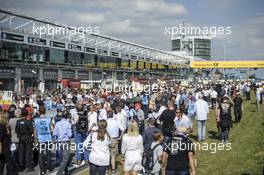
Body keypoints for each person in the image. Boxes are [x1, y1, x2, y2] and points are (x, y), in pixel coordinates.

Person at [34, 106, 53, 175]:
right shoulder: (48, 119)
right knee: (48, 154)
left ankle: (42, 170)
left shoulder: (36, 120)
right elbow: (51, 130)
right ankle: (48, 167)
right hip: (48, 138)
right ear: (45, 111)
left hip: (40, 139)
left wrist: (35, 140)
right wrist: (53, 139)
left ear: (39, 112)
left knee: (40, 154)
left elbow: (35, 131)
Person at [53, 110, 72, 175]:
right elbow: (69, 135)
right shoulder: (68, 124)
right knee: (65, 159)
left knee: (62, 158)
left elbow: (55, 134)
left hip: (59, 142)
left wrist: (55, 140)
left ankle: (66, 171)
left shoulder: (57, 123)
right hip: (65, 141)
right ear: (67, 116)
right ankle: (59, 172)